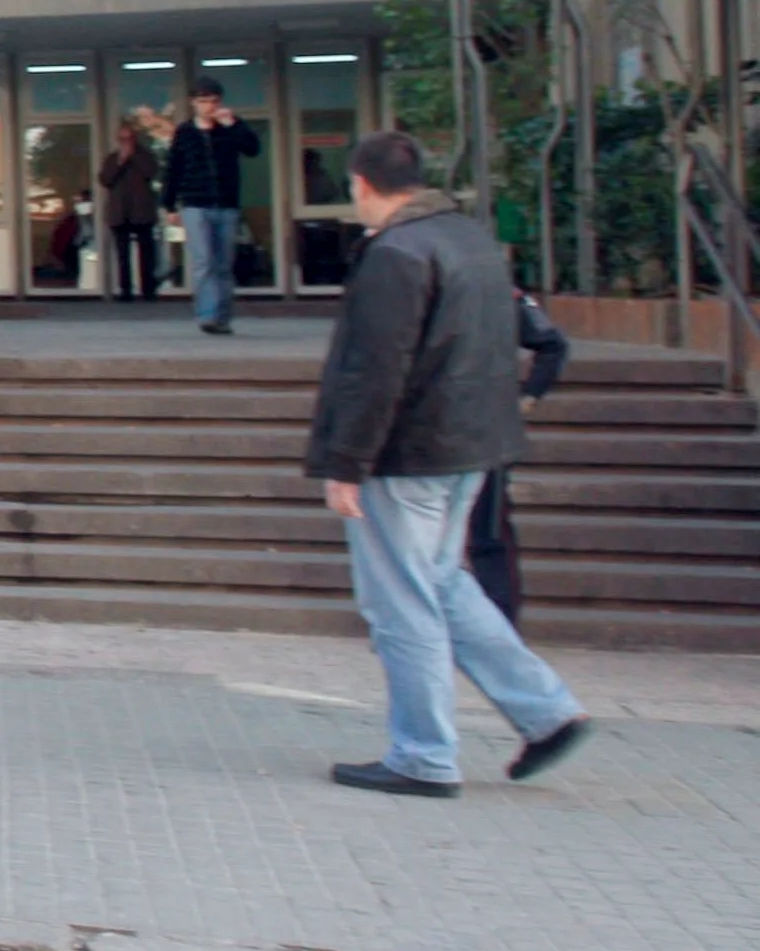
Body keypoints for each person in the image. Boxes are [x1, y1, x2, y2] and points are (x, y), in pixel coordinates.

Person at [306, 129, 587, 796]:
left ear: (362, 184)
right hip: (472, 446)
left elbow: (377, 369)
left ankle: (423, 754)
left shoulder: (394, 254)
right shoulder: (472, 240)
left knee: (400, 602)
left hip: (407, 452)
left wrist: (346, 461)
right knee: (443, 585)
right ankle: (546, 711)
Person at [465, 292, 571, 625]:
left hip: (486, 429)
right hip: (438, 427)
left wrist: (528, 398)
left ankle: (501, 623)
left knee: (487, 533)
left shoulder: (500, 294)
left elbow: (552, 344)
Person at [161, 77, 262, 334]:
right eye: (203, 101)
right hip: (195, 204)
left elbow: (253, 148)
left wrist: (234, 125)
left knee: (223, 264)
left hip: (226, 204)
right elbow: (174, 168)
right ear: (194, 103)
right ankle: (207, 315)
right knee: (203, 260)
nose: (208, 107)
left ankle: (223, 317)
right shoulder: (185, 132)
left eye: (213, 101)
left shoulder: (229, 129)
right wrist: (169, 205)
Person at [97, 112, 162, 301]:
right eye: (122, 139)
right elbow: (105, 179)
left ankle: (148, 290)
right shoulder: (112, 158)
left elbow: (151, 172)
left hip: (142, 212)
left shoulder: (146, 156)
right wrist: (120, 161)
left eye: (129, 138)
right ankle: (125, 290)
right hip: (119, 212)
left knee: (146, 253)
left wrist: (134, 156)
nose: (125, 142)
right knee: (122, 255)